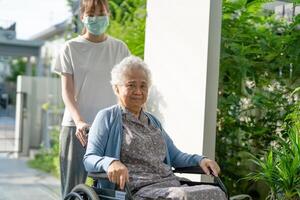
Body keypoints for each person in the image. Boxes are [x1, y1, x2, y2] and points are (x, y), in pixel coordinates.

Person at [83, 56, 226, 199]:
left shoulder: (153, 121)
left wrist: (200, 160)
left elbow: (175, 156)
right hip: (135, 190)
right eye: (131, 85)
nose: (138, 91)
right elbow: (89, 158)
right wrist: (110, 162)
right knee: (182, 196)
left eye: (143, 86)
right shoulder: (107, 117)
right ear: (116, 88)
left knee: (216, 192)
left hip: (169, 184)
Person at [53, 0, 130, 197]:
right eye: (91, 14)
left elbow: (126, 87)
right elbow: (67, 92)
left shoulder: (119, 48)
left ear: (108, 15)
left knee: (111, 190)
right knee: (73, 189)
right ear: (82, 17)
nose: (97, 18)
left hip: (110, 129)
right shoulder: (70, 48)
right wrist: (79, 121)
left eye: (101, 13)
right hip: (77, 129)